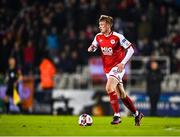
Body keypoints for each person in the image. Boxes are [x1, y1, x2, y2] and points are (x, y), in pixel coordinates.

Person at [88, 15, 144, 126]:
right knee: (122, 95)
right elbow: (94, 45)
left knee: (109, 88)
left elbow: (131, 49)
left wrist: (123, 63)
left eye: (102, 25)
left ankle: (117, 116)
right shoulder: (98, 36)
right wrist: (91, 48)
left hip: (117, 67)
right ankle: (137, 114)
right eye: (99, 25)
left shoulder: (118, 37)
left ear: (108, 25)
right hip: (108, 69)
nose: (100, 27)